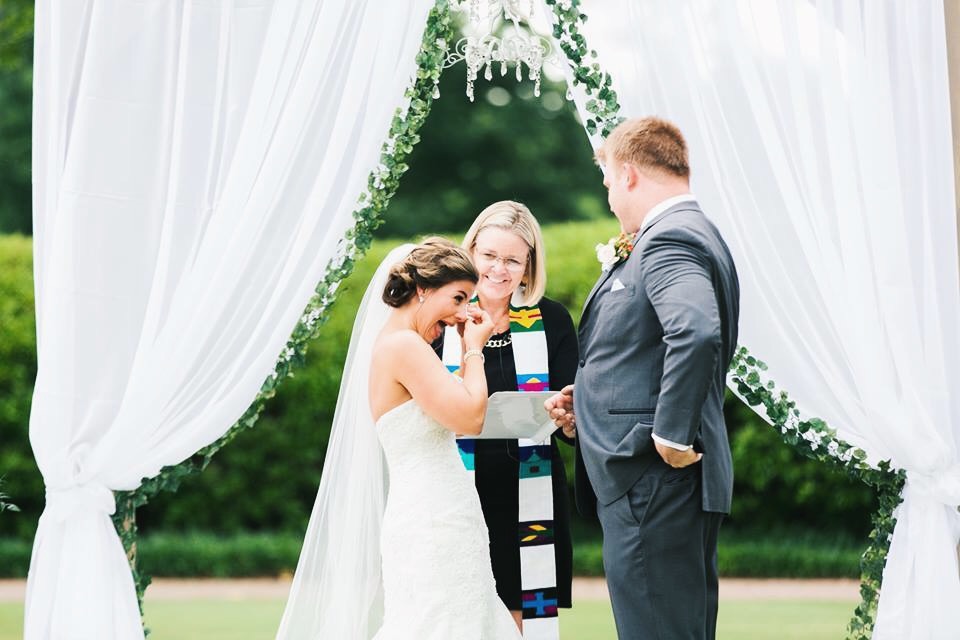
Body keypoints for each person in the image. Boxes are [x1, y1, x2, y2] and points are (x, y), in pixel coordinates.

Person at [546, 117, 740, 640]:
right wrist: (584, 400)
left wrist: (671, 432)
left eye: (607, 182)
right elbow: (644, 350)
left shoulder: (669, 238)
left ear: (628, 174)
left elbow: (696, 332)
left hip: (652, 480)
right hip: (662, 484)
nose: (609, 197)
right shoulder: (691, 232)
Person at [276, 238, 522, 640]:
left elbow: (452, 409)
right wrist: (474, 348)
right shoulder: (405, 345)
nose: (462, 312)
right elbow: (471, 417)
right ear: (423, 289)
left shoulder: (404, 345)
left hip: (437, 511)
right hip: (434, 517)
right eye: (458, 297)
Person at [434, 201, 578, 637]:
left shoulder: (551, 320)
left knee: (520, 621)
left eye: (513, 260)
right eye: (490, 256)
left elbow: (572, 408)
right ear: (471, 251)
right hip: (457, 486)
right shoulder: (443, 318)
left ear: (529, 265)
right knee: (459, 612)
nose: (499, 269)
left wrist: (569, 418)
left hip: (530, 490)